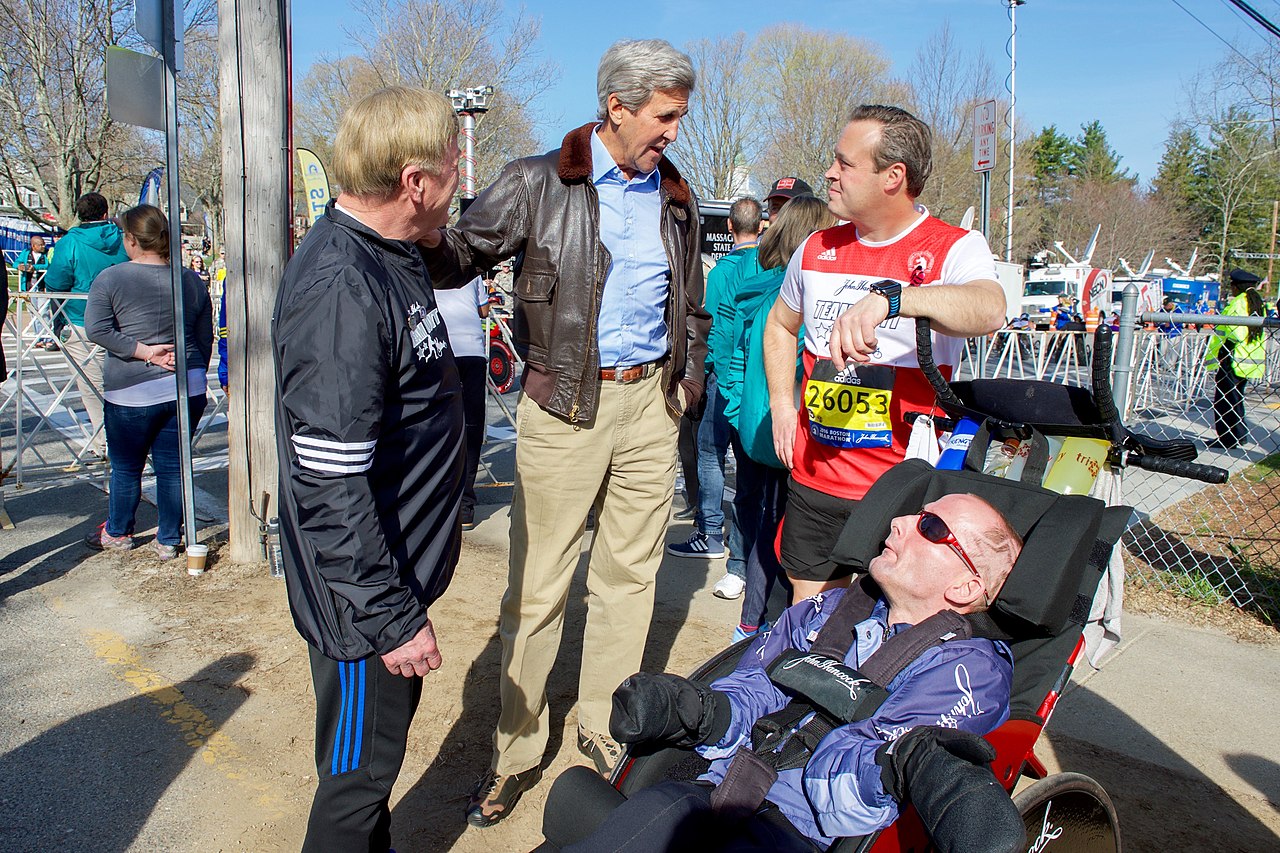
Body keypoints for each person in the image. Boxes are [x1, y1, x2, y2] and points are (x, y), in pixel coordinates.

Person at [420, 38, 707, 825]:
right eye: (664, 115)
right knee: (539, 587)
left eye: (678, 116)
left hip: (652, 405)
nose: (673, 132)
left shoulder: (676, 194)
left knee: (629, 578)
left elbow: (692, 304)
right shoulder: (536, 181)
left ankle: (606, 730)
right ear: (616, 106)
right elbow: (457, 254)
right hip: (563, 410)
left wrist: (687, 383)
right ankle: (513, 751)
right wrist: (405, 222)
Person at [549, 492, 1022, 852]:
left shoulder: (970, 671)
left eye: (931, 528)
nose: (899, 523)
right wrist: (699, 710)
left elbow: (848, 793)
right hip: (712, 792)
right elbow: (756, 685)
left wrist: (903, 761)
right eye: (914, 514)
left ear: (966, 586)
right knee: (655, 815)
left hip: (797, 833)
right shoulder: (831, 609)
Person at [272, 86, 465, 852]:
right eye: (453, 167)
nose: (460, 180)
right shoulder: (342, 287)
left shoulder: (394, 248)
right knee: (356, 785)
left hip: (391, 576)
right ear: (414, 180)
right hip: (362, 608)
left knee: (370, 774)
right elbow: (328, 483)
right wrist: (390, 616)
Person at [764, 105, 1005, 603]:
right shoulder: (815, 248)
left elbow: (989, 309)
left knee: (888, 635)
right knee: (805, 627)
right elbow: (780, 324)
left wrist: (894, 299)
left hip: (902, 491)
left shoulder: (951, 247)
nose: (829, 173)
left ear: (893, 176)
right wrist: (782, 407)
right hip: (817, 479)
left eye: (844, 163)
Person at [719, 196, 835, 641]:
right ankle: (763, 629)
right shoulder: (793, 301)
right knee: (785, 532)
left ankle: (751, 624)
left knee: (764, 522)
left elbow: (730, 357)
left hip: (759, 430)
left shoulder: (758, 291)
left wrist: (737, 411)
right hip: (788, 434)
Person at [82, 204, 212, 559]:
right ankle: (169, 539)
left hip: (132, 388)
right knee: (173, 465)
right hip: (188, 383)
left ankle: (119, 531)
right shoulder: (189, 279)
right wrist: (192, 366)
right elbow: (205, 335)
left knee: (126, 466)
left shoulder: (111, 278)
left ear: (131, 239)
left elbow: (96, 329)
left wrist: (142, 351)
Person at [669, 198, 762, 598]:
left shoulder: (722, 272)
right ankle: (743, 545)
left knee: (710, 454)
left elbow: (715, 328)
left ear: (728, 227)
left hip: (725, 377)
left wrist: (707, 377)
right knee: (747, 466)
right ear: (760, 226)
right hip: (756, 381)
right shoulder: (772, 266)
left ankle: (709, 531)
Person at [43, 191, 131, 457]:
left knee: (92, 385)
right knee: (125, 380)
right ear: (105, 213)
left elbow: (56, 282)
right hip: (124, 319)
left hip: (83, 320)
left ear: (79, 215)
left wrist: (58, 320)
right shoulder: (125, 239)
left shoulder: (68, 242)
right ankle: (129, 437)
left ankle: (105, 442)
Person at [434, 274, 491, 530]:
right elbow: (484, 310)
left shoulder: (425, 263)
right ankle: (466, 506)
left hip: (440, 350)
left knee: (440, 426)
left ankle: (441, 500)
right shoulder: (473, 271)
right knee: (472, 426)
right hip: (472, 351)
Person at [1205, 268, 1266, 450]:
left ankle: (1227, 437)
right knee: (1235, 399)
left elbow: (1234, 331)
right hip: (1245, 359)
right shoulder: (1254, 301)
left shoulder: (1239, 302)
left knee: (1224, 400)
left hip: (1232, 356)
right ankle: (1238, 435)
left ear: (1236, 286)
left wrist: (1223, 349)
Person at [15, 234, 54, 348]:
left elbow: (48, 265)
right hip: (29, 286)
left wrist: (34, 267)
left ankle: (48, 337)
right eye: (40, 245)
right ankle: (39, 337)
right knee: (33, 312)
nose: (43, 246)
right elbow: (15, 262)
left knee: (44, 311)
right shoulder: (26, 253)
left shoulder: (47, 254)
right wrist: (21, 266)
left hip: (42, 286)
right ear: (33, 246)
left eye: (43, 244)